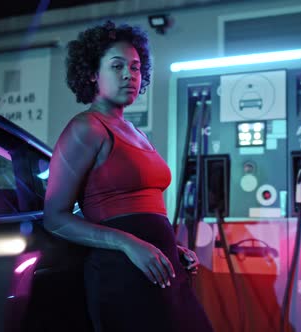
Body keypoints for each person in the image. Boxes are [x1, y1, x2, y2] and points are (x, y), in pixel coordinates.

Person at [43, 20, 214, 332]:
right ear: (93, 74)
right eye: (117, 66)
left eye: (135, 68)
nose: (128, 75)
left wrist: (172, 249)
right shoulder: (86, 128)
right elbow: (54, 217)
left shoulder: (136, 132)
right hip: (122, 274)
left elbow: (142, 210)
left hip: (161, 269)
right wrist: (128, 243)